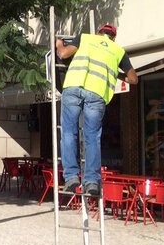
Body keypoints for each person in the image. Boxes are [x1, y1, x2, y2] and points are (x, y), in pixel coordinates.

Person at [55, 24, 138, 197]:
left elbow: (64, 54)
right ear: (113, 37)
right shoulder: (118, 51)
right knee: (92, 138)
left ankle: (71, 178)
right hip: (97, 94)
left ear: (99, 33)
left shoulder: (85, 38)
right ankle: (92, 181)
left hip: (74, 87)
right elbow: (133, 79)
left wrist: (59, 44)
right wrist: (115, 73)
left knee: (69, 133)